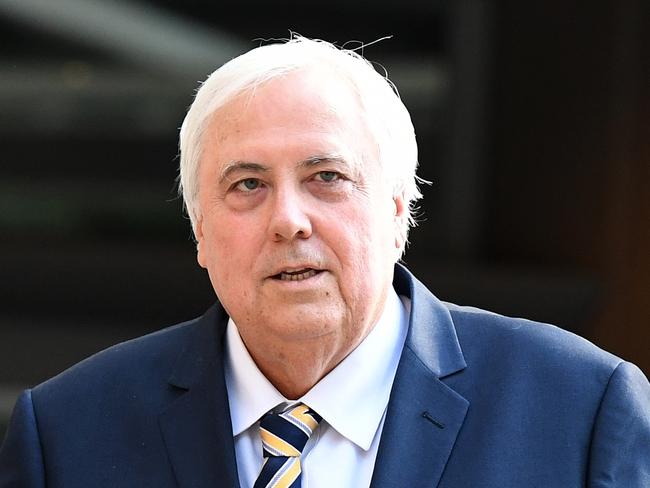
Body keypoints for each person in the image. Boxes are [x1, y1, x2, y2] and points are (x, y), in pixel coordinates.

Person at [1, 36, 649, 488]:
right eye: (247, 185)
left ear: (398, 211)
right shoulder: (66, 432)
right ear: (200, 230)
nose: (288, 219)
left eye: (327, 176)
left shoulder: (580, 411)